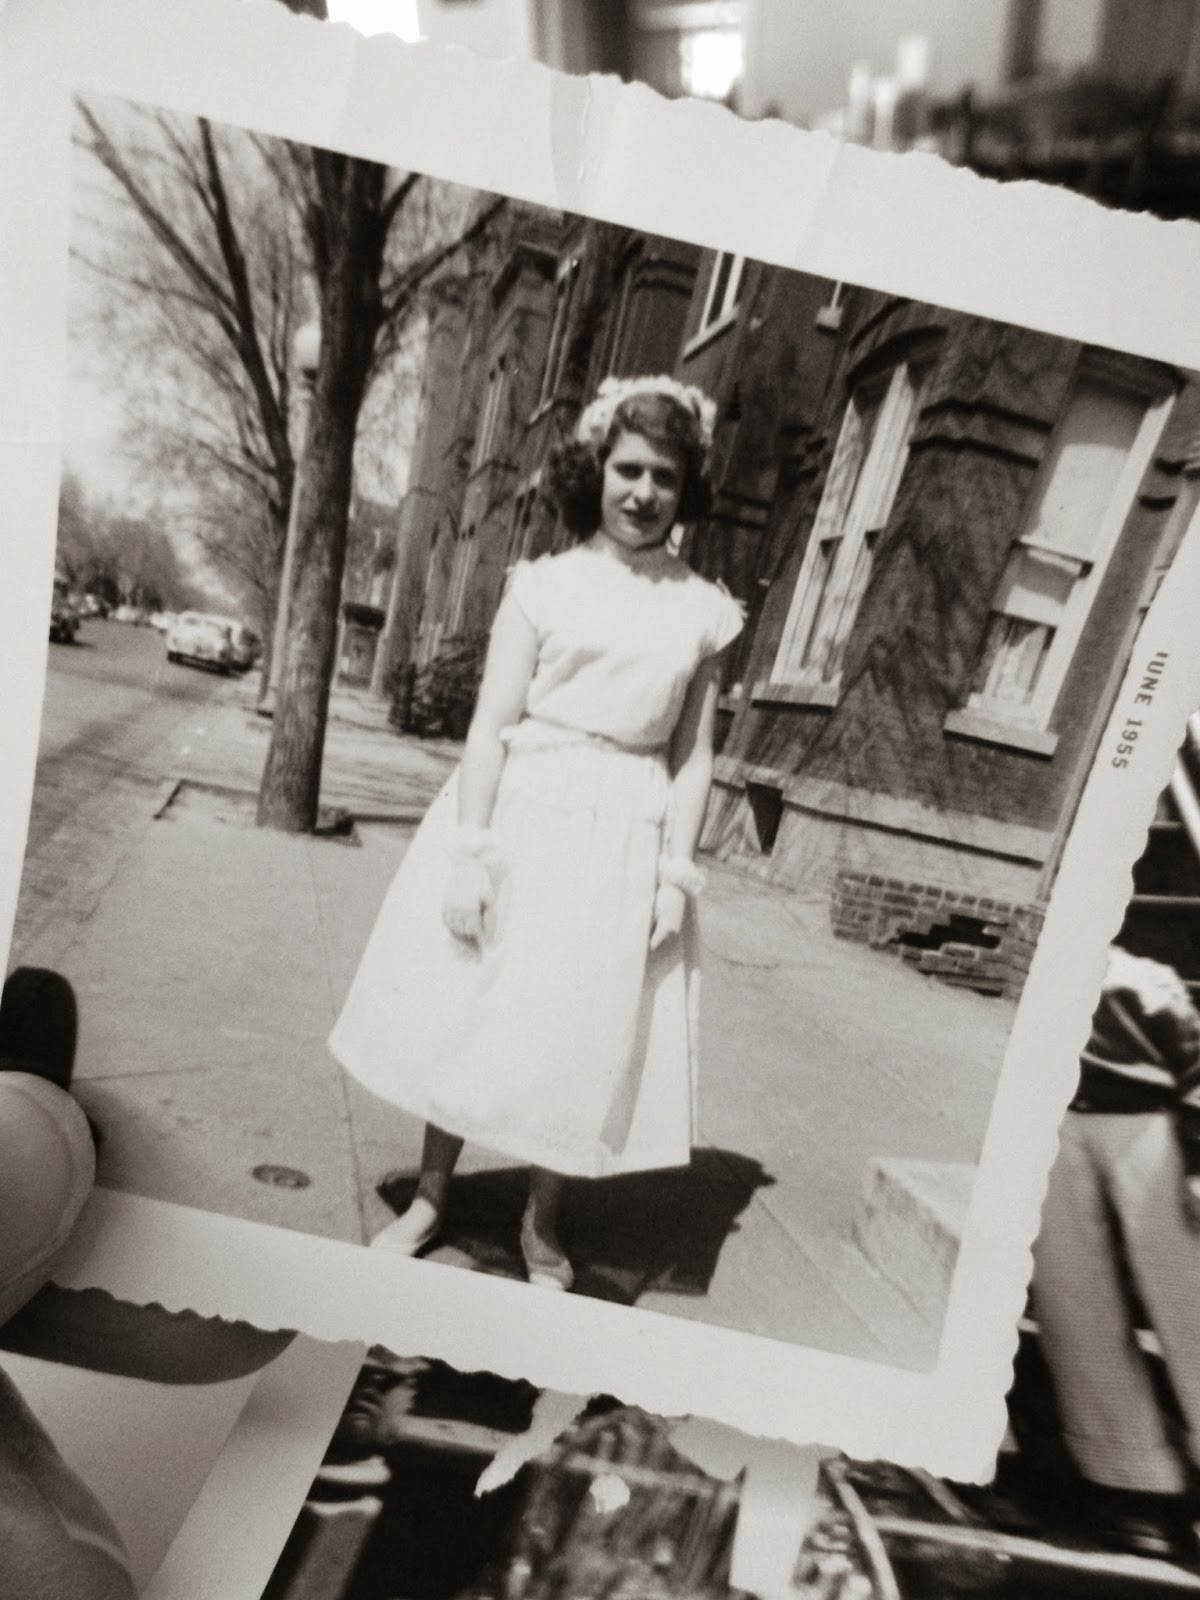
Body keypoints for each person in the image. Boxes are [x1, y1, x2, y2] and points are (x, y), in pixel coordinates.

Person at [329, 375, 744, 1291]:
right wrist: (470, 854)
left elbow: (693, 756)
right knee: (473, 1005)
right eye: (628, 469)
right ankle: (433, 1195)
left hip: (625, 831)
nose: (643, 492)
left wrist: (676, 874)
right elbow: (489, 726)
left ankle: (543, 1220)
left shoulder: (703, 611)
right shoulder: (543, 586)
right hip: (525, 809)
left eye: (665, 477)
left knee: (579, 1028)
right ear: (596, 469)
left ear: (687, 488)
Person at [1031, 943, 1200, 1565]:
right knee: (1075, 1304)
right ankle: (1131, 1478)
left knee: (1188, 1295)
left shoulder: (1144, 976)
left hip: (1149, 1120)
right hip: (1051, 1117)